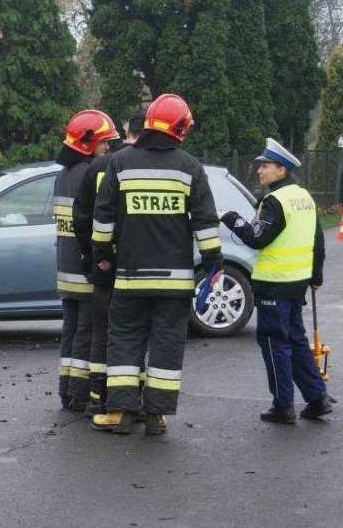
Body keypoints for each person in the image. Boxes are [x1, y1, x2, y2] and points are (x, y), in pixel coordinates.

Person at [90, 94, 223, 435]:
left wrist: (102, 255)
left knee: (124, 339)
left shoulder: (119, 163)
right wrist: (213, 262)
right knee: (166, 344)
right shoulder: (190, 167)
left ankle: (120, 412)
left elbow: (102, 217)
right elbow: (205, 221)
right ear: (180, 129)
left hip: (130, 277)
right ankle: (156, 416)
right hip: (174, 282)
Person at [220, 138, 331, 424]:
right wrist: (316, 275)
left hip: (274, 285)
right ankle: (317, 398)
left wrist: (231, 218)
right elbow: (317, 239)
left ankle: (283, 405)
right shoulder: (303, 196)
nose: (260, 171)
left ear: (281, 169)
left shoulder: (275, 201)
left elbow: (257, 238)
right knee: (296, 340)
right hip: (296, 283)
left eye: (265, 166)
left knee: (274, 343)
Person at [73, 108, 145, 416]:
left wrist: (94, 257)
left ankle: (97, 398)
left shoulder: (101, 166)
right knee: (135, 335)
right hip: (136, 267)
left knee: (102, 333)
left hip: (106, 267)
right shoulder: (155, 168)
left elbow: (82, 218)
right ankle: (134, 400)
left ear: (127, 132)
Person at [54, 110, 119, 412]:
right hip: (85, 268)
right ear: (87, 143)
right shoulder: (89, 175)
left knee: (70, 330)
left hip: (65, 269)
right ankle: (80, 391)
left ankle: (66, 389)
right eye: (104, 143)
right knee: (87, 332)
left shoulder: (63, 176)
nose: (106, 149)